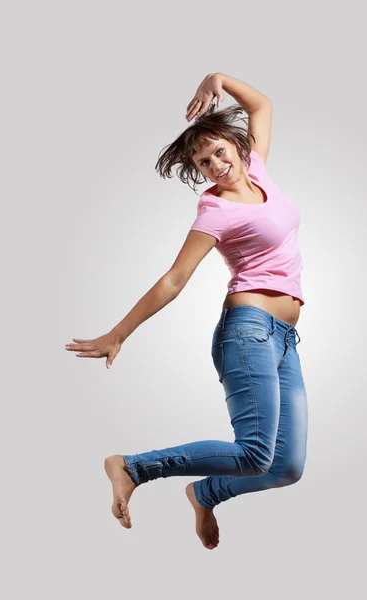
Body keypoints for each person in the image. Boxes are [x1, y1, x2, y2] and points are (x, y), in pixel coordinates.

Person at [65, 73, 308, 551]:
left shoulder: (256, 169)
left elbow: (262, 105)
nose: (217, 164)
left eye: (220, 151)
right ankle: (133, 467)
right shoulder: (215, 211)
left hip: (283, 337)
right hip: (248, 331)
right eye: (204, 162)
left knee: (285, 466)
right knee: (255, 452)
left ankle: (205, 493)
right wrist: (119, 333)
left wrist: (218, 77)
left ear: (236, 147)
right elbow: (175, 278)